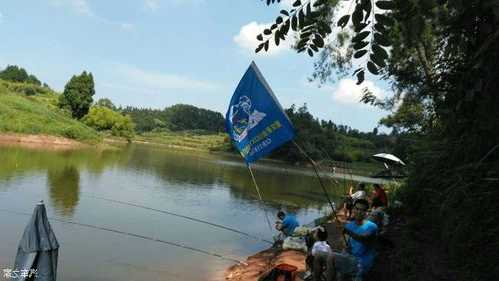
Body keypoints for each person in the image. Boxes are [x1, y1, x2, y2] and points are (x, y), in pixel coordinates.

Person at [342, 199, 378, 281]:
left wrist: (347, 231)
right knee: (327, 257)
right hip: (350, 258)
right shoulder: (349, 226)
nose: (359, 212)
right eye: (357, 209)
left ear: (366, 212)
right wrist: (346, 248)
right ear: (353, 209)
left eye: (362, 210)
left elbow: (362, 238)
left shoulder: (372, 226)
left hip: (363, 263)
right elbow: (348, 244)